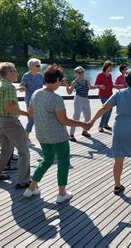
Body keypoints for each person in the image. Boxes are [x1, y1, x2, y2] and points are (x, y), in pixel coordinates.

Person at [23, 64, 90, 203]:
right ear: (57, 80)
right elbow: (64, 120)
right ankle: (62, 193)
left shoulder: (36, 94)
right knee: (64, 162)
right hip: (58, 137)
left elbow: (30, 113)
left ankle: (31, 188)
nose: (60, 84)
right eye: (60, 81)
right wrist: (83, 124)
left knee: (46, 160)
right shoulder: (56, 98)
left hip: (42, 135)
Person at [0, 62, 31, 189]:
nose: (17, 73)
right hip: (10, 122)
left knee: (5, 150)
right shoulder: (10, 87)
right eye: (15, 71)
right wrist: (26, 113)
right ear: (8, 74)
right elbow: (9, 106)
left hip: (0, 121)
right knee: (24, 151)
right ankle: (23, 180)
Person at [66, 66, 101, 142]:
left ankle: (84, 131)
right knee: (76, 117)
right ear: (76, 73)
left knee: (88, 117)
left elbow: (91, 87)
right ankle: (71, 134)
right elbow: (69, 92)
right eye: (79, 72)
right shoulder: (75, 82)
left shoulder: (86, 81)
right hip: (78, 99)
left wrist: (98, 86)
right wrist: (66, 85)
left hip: (86, 99)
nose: (81, 73)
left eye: (82, 72)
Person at [20, 58, 44, 145]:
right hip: (30, 100)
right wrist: (23, 88)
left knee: (40, 118)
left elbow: (47, 84)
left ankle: (42, 137)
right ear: (31, 67)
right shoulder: (26, 76)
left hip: (40, 99)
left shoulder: (40, 76)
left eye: (39, 65)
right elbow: (22, 87)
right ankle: (26, 137)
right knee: (31, 119)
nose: (39, 67)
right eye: (37, 65)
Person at [94, 61, 114, 132]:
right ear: (106, 67)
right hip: (102, 95)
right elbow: (95, 84)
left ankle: (106, 124)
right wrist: (100, 86)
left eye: (112, 67)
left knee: (110, 109)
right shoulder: (100, 75)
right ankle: (100, 126)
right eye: (110, 67)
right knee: (105, 109)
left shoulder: (110, 75)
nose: (112, 68)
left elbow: (111, 85)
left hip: (110, 95)